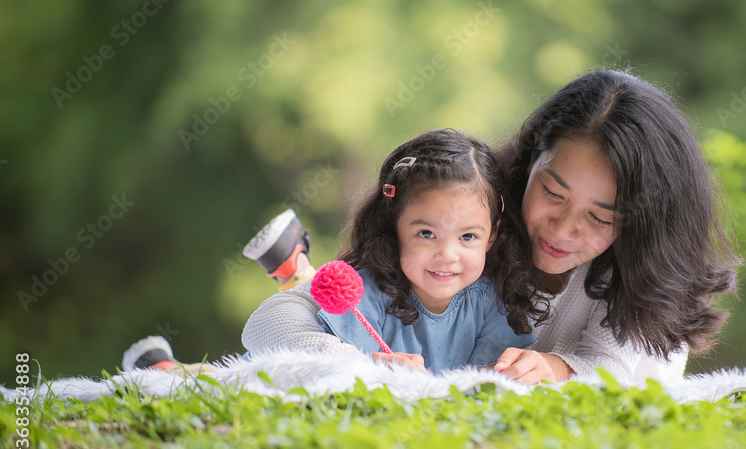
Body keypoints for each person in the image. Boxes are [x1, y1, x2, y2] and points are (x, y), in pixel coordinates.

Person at [240, 70, 739, 385]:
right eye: (553, 193)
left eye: (599, 217)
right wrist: (352, 361)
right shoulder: (466, 220)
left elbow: (618, 371)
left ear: (640, 221)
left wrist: (561, 368)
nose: (563, 230)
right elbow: (275, 323)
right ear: (532, 154)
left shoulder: (643, 282)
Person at [126, 129, 543, 376]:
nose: (447, 255)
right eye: (427, 233)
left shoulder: (493, 305)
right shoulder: (368, 288)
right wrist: (360, 363)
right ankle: (163, 368)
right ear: (393, 227)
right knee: (225, 379)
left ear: (492, 236)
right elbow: (260, 330)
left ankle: (295, 265)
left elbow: (488, 384)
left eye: (468, 237)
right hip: (288, 374)